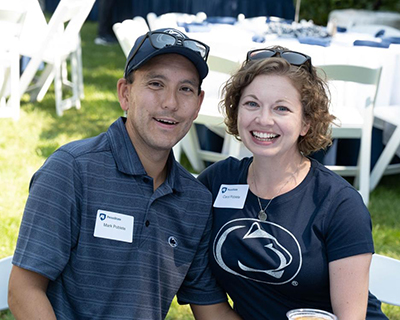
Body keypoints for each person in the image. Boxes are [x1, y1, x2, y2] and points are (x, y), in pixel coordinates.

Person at [8, 28, 241, 320]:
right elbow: (23, 289)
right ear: (125, 93)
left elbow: (210, 308)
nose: (170, 102)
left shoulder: (194, 201)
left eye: (185, 89)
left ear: (197, 104)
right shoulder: (71, 170)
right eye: (156, 84)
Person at [197, 45, 388, 320]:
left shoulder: (339, 203)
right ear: (236, 110)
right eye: (252, 103)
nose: (264, 119)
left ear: (306, 123)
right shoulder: (217, 182)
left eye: (282, 108)